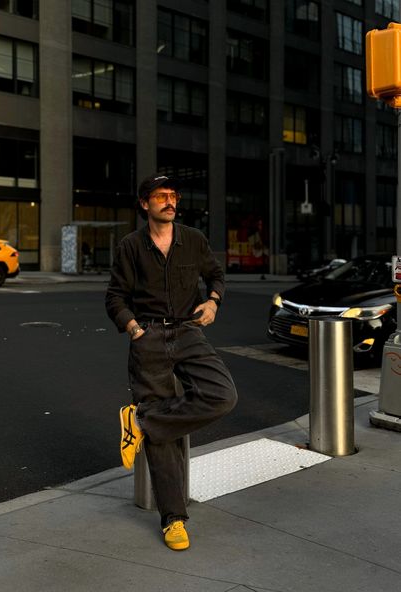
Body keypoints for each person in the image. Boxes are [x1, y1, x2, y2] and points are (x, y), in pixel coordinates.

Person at [105, 173, 238, 551]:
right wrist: (132, 328)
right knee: (164, 428)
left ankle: (142, 421)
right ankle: (173, 519)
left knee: (223, 395)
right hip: (148, 337)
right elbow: (115, 297)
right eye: (160, 196)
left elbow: (216, 274)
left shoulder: (193, 240)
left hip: (188, 332)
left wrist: (212, 301)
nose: (169, 201)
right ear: (144, 204)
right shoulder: (131, 246)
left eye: (173, 195)